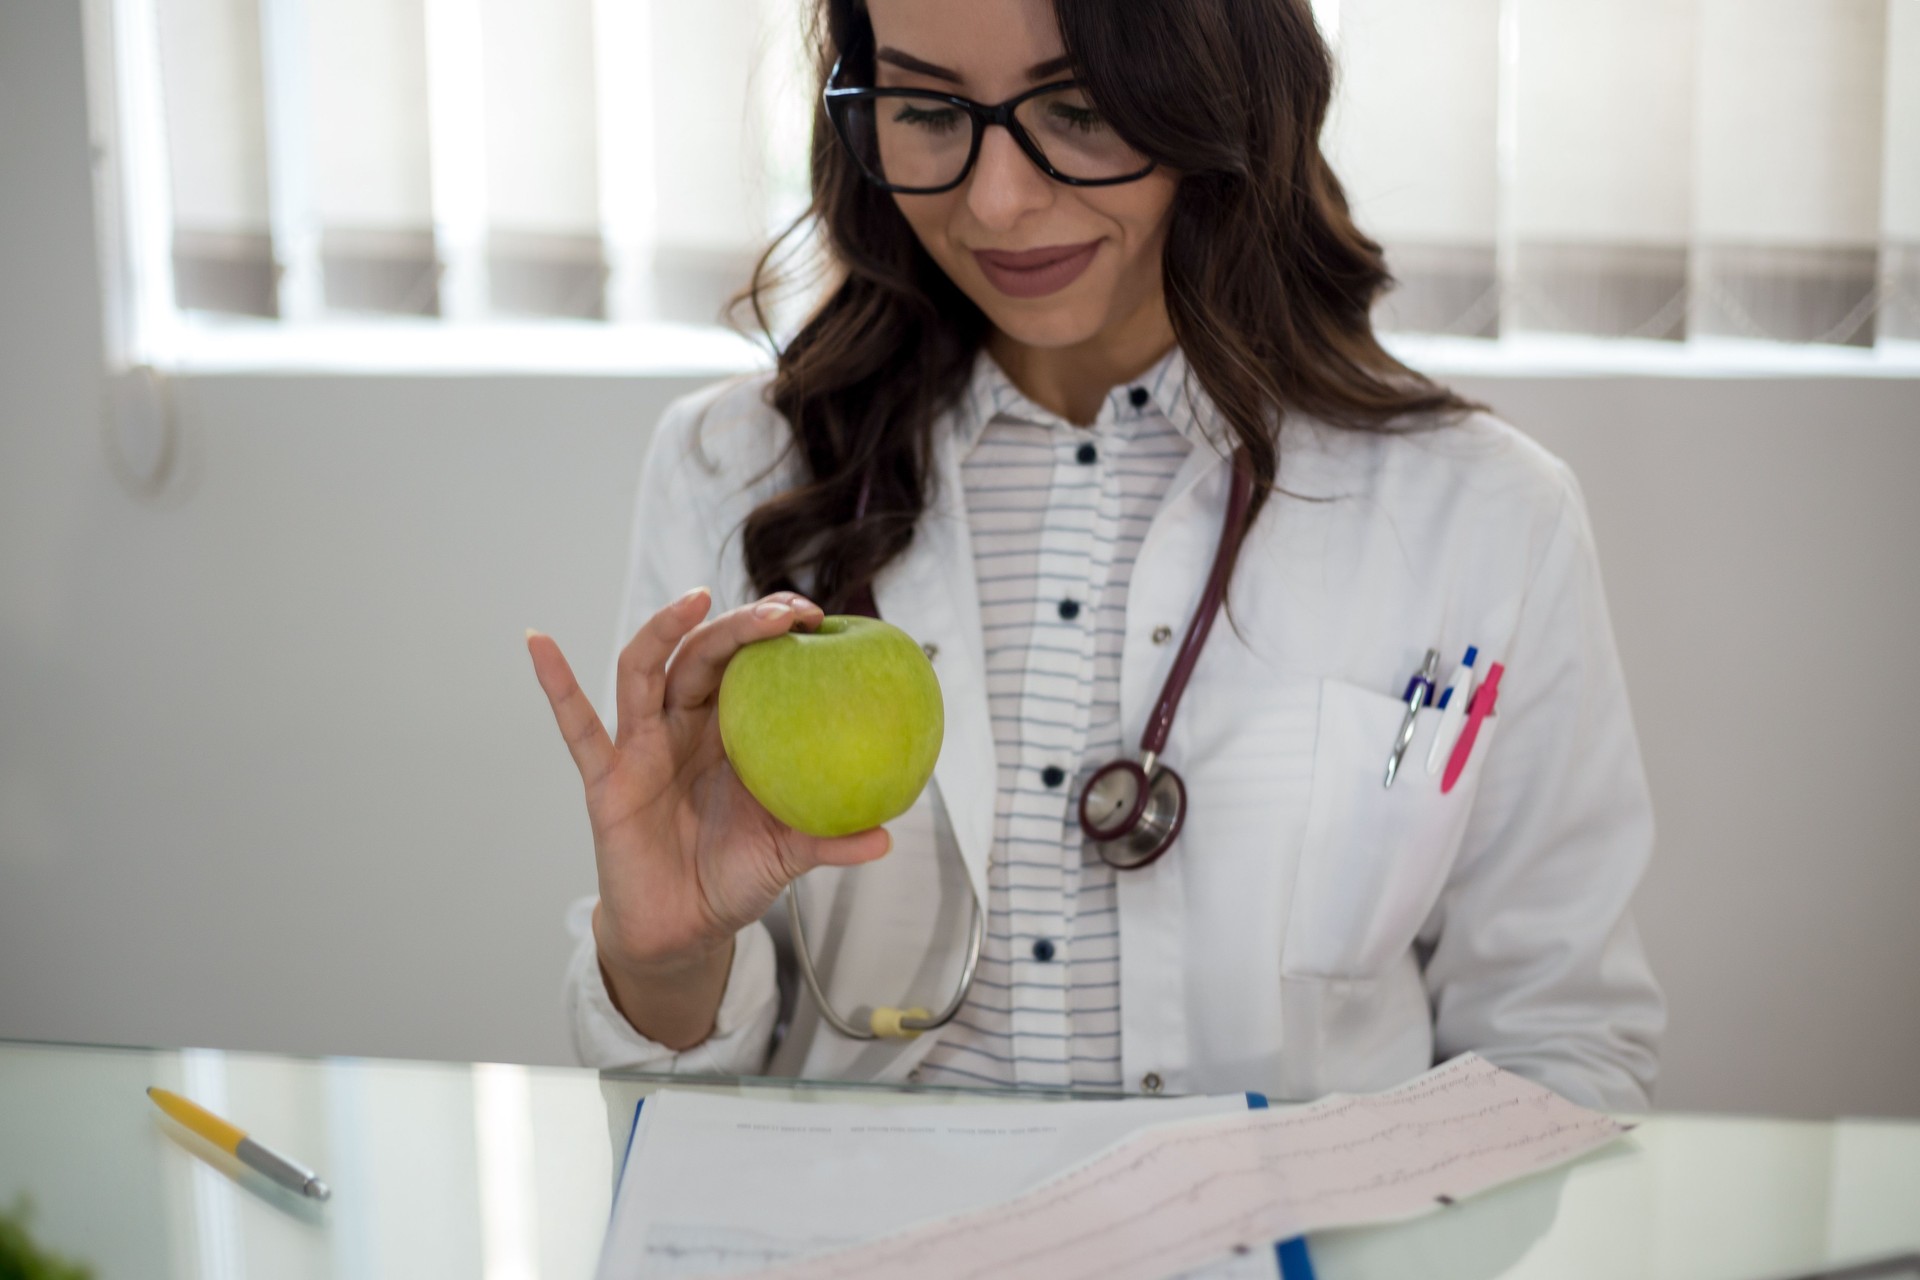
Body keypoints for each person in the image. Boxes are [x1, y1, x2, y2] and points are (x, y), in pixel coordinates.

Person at [525, 0, 1664, 1109]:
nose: (998, 200)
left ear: (1221, 95)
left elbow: (1558, 1046)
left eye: (1078, 107)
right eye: (925, 109)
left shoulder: (1485, 512)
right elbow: (685, 1109)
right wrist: (666, 957)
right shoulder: (733, 471)